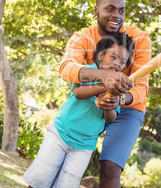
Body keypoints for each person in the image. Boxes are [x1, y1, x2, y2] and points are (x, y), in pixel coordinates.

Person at [59, 0, 152, 187]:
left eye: (121, 11)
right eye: (109, 9)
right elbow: (66, 68)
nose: (116, 16)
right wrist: (105, 77)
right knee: (59, 156)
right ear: (96, 10)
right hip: (92, 101)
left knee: (110, 167)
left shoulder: (140, 39)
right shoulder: (82, 37)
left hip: (127, 107)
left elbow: (142, 87)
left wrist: (119, 99)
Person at [23, 32, 135, 188]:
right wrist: (104, 85)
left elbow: (111, 118)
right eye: (114, 57)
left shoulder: (118, 89)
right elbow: (78, 93)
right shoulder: (89, 71)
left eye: (123, 62)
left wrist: (109, 105)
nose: (118, 64)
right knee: (40, 180)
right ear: (101, 56)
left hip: (83, 146)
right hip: (60, 135)